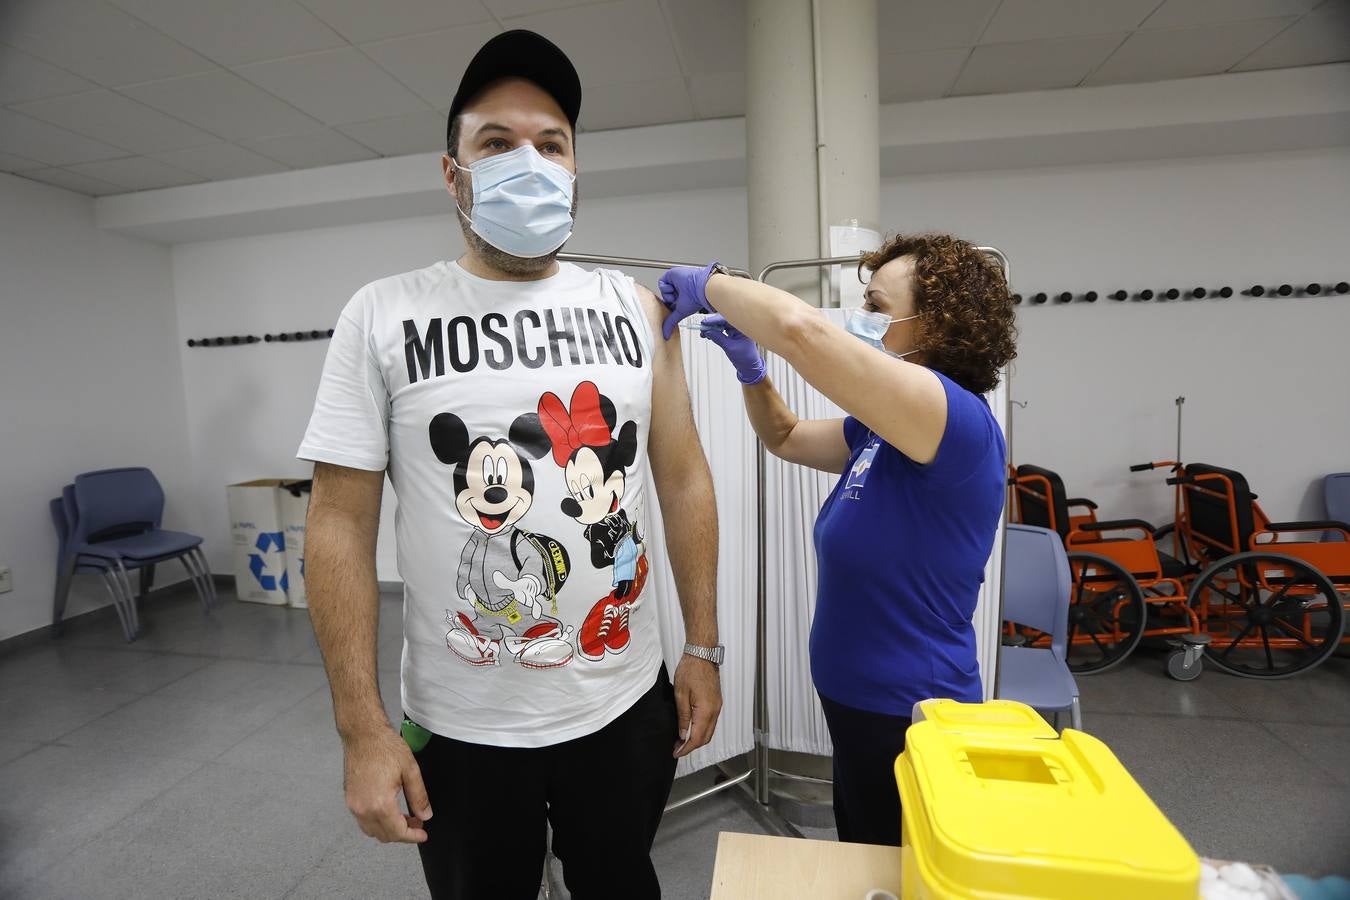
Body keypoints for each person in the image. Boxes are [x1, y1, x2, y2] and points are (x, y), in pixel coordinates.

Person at [297, 30, 723, 900]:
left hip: (620, 704)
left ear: (574, 171)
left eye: (550, 143)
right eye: (496, 142)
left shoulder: (637, 312)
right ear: (453, 173)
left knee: (620, 882)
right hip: (459, 729)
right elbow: (338, 521)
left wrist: (704, 647)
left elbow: (680, 479)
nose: (527, 160)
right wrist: (360, 728)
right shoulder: (382, 315)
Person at [658, 234, 1016, 847]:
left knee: (899, 868)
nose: (863, 319)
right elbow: (788, 436)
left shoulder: (952, 420)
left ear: (935, 325)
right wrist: (751, 369)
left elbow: (801, 330)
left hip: (909, 711)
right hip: (855, 701)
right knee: (864, 854)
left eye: (877, 306)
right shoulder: (886, 431)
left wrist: (710, 281)